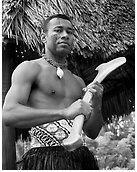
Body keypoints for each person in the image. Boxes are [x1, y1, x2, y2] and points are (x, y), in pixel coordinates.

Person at [2, 14, 104, 170]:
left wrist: (96, 106)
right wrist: (64, 112)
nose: (65, 35)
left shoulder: (78, 81)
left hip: (79, 159)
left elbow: (92, 132)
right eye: (58, 30)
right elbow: (8, 115)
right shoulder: (29, 68)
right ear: (44, 37)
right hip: (42, 159)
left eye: (70, 32)